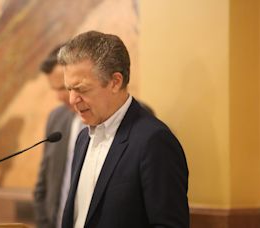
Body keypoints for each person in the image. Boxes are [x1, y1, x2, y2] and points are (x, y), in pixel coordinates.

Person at [58, 31, 189, 228]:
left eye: (82, 89)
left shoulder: (153, 141)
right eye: (69, 89)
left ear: (115, 82)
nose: (72, 100)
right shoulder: (83, 138)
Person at [34, 44, 84, 228]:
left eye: (63, 87)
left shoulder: (132, 118)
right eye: (54, 89)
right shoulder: (56, 118)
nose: (61, 97)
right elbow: (42, 186)